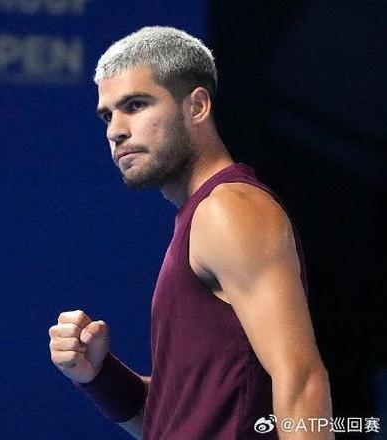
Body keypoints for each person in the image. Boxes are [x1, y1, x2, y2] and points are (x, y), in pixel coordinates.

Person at [48, 27, 332, 439]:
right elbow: (178, 421)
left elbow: (302, 381)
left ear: (197, 106)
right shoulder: (201, 216)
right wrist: (100, 377)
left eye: (135, 105)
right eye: (108, 115)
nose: (115, 130)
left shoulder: (229, 209)